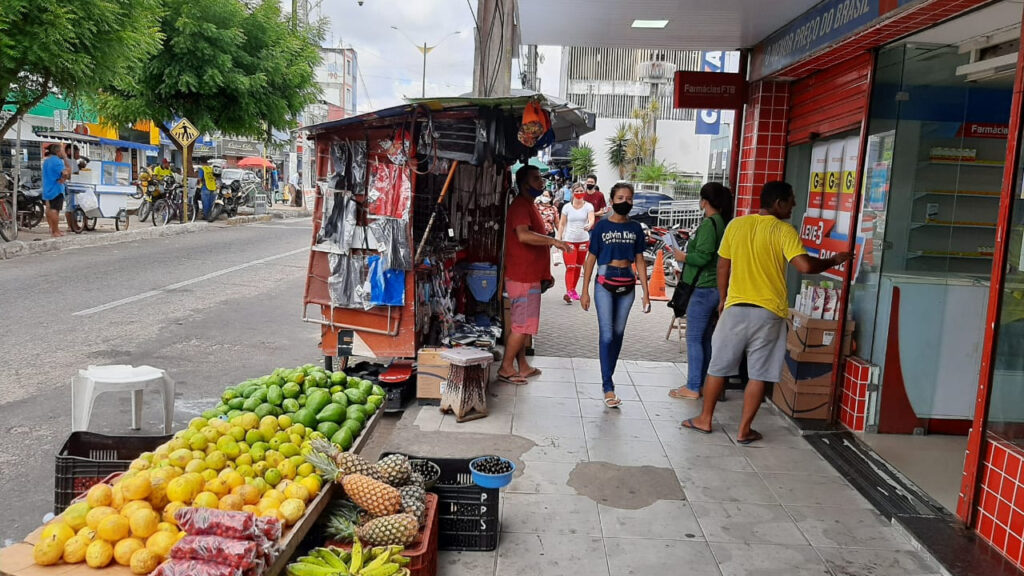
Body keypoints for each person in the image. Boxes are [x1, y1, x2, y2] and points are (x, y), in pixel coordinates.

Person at [682, 181, 853, 443]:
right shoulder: (784, 231)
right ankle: (744, 430)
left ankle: (704, 419)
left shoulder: (736, 225)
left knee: (717, 368)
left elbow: (722, 267)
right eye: (791, 200)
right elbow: (805, 266)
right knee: (759, 373)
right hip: (768, 313)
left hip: (736, 309)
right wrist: (832, 260)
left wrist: (723, 298)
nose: (794, 205)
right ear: (778, 203)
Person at [580, 182, 651, 407]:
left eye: (629, 199)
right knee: (607, 335)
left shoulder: (636, 229)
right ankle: (607, 385)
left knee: (619, 334)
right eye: (620, 198)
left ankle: (608, 377)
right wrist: (584, 291)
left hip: (628, 284)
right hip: (604, 281)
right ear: (612, 201)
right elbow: (590, 259)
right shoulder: (601, 227)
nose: (625, 202)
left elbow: (639, 259)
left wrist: (646, 293)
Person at [498, 165, 570, 384]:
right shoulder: (521, 206)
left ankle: (523, 365)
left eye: (541, 178)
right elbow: (523, 236)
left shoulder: (528, 205)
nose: (541, 182)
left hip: (528, 275)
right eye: (536, 179)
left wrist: (544, 273)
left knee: (523, 325)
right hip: (522, 277)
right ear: (524, 183)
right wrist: (554, 241)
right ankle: (506, 368)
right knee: (522, 326)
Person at [668, 183, 733, 400]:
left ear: (705, 201)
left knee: (694, 337)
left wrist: (683, 257)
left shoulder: (709, 225)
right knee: (705, 338)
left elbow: (704, 257)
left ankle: (693, 386)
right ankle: (705, 384)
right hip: (714, 288)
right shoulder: (723, 223)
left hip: (704, 287)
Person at [557, 183, 595, 304]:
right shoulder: (567, 207)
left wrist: (589, 224)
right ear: (572, 193)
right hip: (569, 240)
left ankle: (571, 290)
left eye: (581, 191)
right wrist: (559, 238)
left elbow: (591, 218)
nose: (579, 193)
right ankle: (569, 290)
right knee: (570, 266)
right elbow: (562, 223)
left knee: (578, 266)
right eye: (576, 191)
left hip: (583, 240)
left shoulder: (588, 206)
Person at [41, 143, 66, 238]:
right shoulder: (57, 161)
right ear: (58, 151)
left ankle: (53, 229)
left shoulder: (46, 161)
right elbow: (64, 172)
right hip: (56, 189)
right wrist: (64, 177)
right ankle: (55, 231)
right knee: (55, 210)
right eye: (62, 150)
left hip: (47, 187)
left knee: (49, 209)